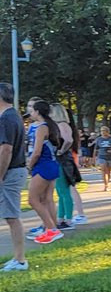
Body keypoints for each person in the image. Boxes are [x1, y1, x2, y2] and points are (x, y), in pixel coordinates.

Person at [24, 98, 64, 244]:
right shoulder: (44, 126)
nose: (30, 113)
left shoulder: (42, 127)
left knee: (33, 200)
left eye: (32, 110)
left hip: (43, 165)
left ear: (38, 111)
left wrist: (30, 165)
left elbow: (37, 151)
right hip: (49, 165)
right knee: (46, 199)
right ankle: (51, 229)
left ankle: (52, 229)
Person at [0, 82, 29, 271]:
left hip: (9, 172)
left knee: (12, 216)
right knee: (10, 215)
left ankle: (20, 260)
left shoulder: (6, 119)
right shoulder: (13, 116)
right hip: (13, 171)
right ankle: (18, 259)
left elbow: (6, 149)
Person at [49, 103, 86, 228]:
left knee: (64, 191)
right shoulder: (60, 125)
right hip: (61, 159)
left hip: (63, 160)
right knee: (60, 191)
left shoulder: (62, 125)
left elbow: (68, 140)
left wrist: (61, 150)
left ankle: (68, 219)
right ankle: (61, 218)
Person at [93, 126, 111, 191]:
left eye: (104, 131)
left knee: (108, 172)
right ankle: (105, 186)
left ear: (107, 131)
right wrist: (94, 157)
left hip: (109, 156)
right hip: (101, 156)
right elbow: (96, 149)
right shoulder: (99, 139)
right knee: (104, 171)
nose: (103, 132)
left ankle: (107, 184)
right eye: (101, 131)